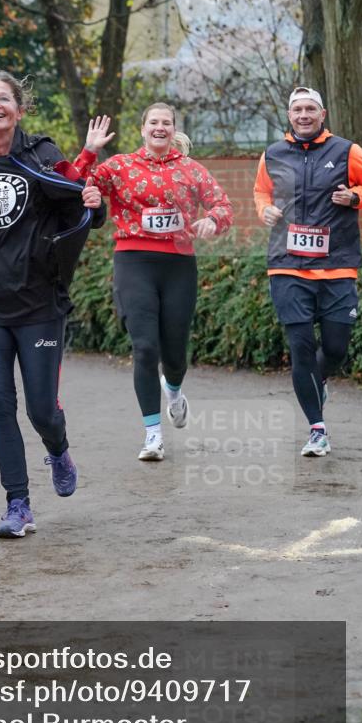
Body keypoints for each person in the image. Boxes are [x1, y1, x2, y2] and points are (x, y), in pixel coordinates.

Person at [0, 70, 105, 538]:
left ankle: (58, 449)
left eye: (4, 99)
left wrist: (95, 202)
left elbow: (75, 199)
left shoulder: (41, 154)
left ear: (19, 109)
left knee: (41, 410)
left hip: (38, 304)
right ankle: (18, 504)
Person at [77, 105, 233, 462]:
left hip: (179, 265)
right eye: (153, 122)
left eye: (166, 123)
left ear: (173, 130)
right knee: (145, 348)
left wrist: (212, 221)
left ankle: (173, 391)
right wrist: (89, 151)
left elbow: (222, 205)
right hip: (133, 262)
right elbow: (74, 183)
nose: (160, 127)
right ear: (143, 128)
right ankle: (153, 435)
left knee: (175, 354)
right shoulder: (120, 166)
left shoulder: (190, 169)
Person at [254, 86, 362, 457]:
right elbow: (261, 192)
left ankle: (318, 383)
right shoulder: (273, 153)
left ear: (322, 114)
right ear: (289, 115)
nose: (303, 115)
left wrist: (355, 197)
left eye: (310, 109)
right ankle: (317, 429)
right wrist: (265, 210)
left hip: (337, 265)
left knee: (335, 349)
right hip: (287, 266)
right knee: (300, 348)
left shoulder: (347, 151)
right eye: (297, 110)